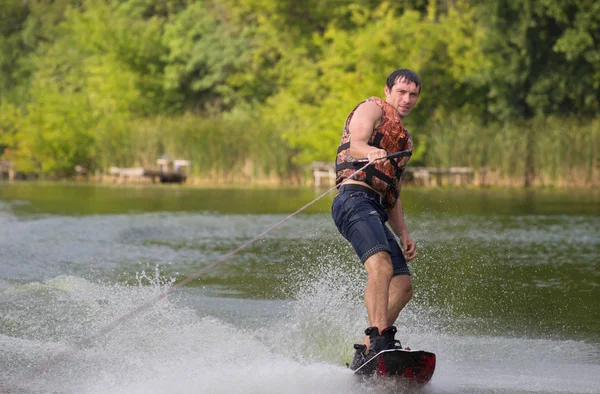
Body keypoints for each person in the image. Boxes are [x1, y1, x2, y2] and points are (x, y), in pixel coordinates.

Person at [331, 68, 421, 370]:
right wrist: (371, 150)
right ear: (388, 91)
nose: (406, 99)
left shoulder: (405, 139)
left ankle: (368, 351)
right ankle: (381, 338)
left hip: (375, 207)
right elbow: (356, 142)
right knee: (381, 266)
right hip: (352, 198)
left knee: (403, 284)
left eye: (413, 95)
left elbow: (392, 191)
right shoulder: (371, 108)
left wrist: (403, 233)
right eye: (401, 92)